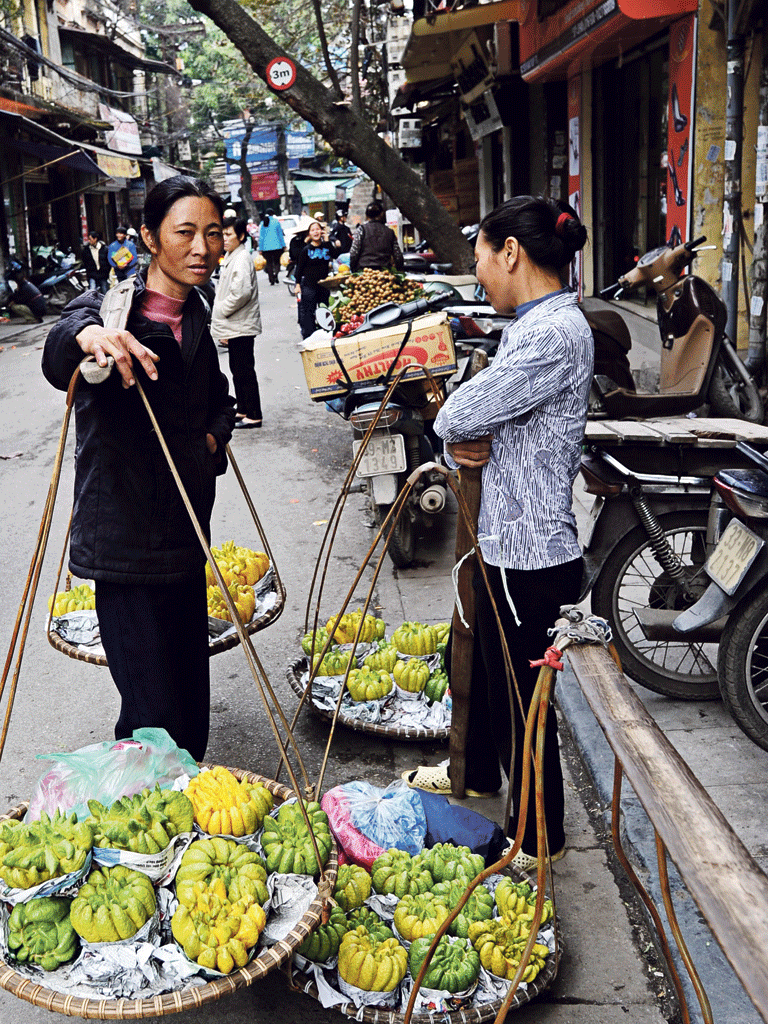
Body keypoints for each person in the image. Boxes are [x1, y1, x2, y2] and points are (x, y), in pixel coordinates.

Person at [403, 196, 591, 873]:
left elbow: (459, 413)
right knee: (489, 676)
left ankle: (538, 838)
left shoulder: (552, 334)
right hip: (506, 538)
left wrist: (460, 433)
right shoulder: (536, 321)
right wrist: (464, 444)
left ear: (511, 251)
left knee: (524, 705)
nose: (477, 271)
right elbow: (474, 429)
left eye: (480, 255)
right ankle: (475, 777)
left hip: (531, 550)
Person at [42, 175, 236, 762]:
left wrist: (211, 438)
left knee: (189, 705)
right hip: (124, 547)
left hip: (183, 536)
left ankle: (180, 801)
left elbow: (219, 399)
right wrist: (91, 336)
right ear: (151, 238)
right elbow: (59, 351)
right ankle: (145, 823)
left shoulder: (197, 312)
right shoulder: (110, 309)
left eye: (212, 233)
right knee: (152, 716)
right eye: (185, 233)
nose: (202, 248)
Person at [211, 216, 263, 429]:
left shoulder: (241, 258)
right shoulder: (233, 255)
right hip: (236, 325)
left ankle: (254, 414)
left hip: (241, 324)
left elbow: (241, 292)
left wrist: (222, 309)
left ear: (241, 236)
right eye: (222, 234)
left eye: (229, 234)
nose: (224, 238)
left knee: (244, 371)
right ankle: (242, 409)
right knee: (237, 369)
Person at [295, 218, 332, 339]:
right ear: (309, 233)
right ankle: (310, 337)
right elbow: (299, 269)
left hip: (324, 285)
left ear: (322, 231)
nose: (316, 232)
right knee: (309, 313)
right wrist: (297, 284)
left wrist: (327, 240)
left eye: (318, 229)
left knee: (325, 310)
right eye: (313, 230)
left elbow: (334, 254)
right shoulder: (306, 250)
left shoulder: (326, 246)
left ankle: (326, 333)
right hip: (309, 286)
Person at [349, 201, 404, 272]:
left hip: (364, 273)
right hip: (384, 273)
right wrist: (399, 271)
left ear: (367, 216)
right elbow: (398, 256)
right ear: (381, 214)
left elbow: (354, 253)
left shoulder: (361, 230)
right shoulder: (389, 232)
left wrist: (353, 269)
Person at [258, 209, 286, 286]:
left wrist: (260, 248)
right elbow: (280, 235)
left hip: (266, 248)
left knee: (269, 263)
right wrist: (283, 245)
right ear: (272, 214)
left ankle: (271, 279)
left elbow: (261, 237)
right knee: (277, 262)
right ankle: (276, 275)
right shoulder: (276, 222)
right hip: (277, 246)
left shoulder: (262, 223)